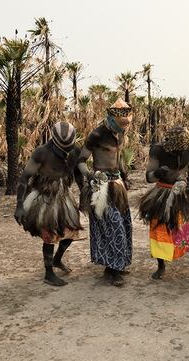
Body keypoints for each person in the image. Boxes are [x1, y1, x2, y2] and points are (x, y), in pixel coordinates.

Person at [15, 122, 83, 286]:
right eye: (63, 149)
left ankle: (57, 260)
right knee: (50, 235)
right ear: (54, 142)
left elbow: (78, 173)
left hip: (64, 194)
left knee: (72, 231)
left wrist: (84, 195)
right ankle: (48, 273)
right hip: (44, 198)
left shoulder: (75, 150)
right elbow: (24, 178)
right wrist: (19, 205)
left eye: (68, 148)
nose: (66, 152)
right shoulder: (42, 153)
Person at [139, 126, 189, 285]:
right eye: (173, 151)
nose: (176, 154)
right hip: (162, 193)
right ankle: (161, 266)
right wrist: (159, 173)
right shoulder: (157, 151)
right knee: (160, 232)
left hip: (181, 193)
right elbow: (149, 177)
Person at [77, 98, 133, 287]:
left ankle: (117, 265)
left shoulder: (121, 133)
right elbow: (81, 161)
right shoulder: (97, 134)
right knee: (112, 226)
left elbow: (118, 156)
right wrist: (91, 175)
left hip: (117, 186)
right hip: (101, 186)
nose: (122, 128)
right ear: (110, 119)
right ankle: (112, 268)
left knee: (123, 225)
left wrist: (124, 175)